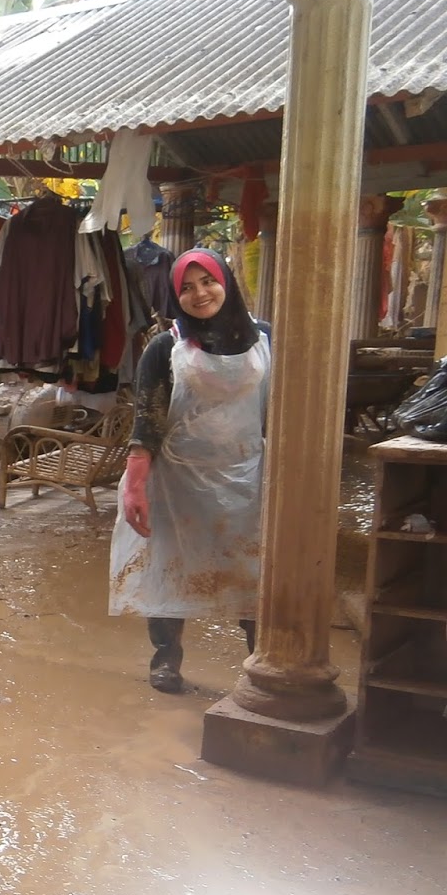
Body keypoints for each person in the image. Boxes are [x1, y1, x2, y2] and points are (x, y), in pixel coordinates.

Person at [109, 247, 270, 693]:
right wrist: (135, 486)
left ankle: (261, 661)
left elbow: (276, 414)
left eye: (208, 282)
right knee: (168, 566)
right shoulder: (165, 348)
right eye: (186, 287)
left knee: (254, 571)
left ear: (227, 282)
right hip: (177, 478)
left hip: (247, 477)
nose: (200, 294)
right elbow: (147, 422)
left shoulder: (265, 340)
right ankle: (166, 657)